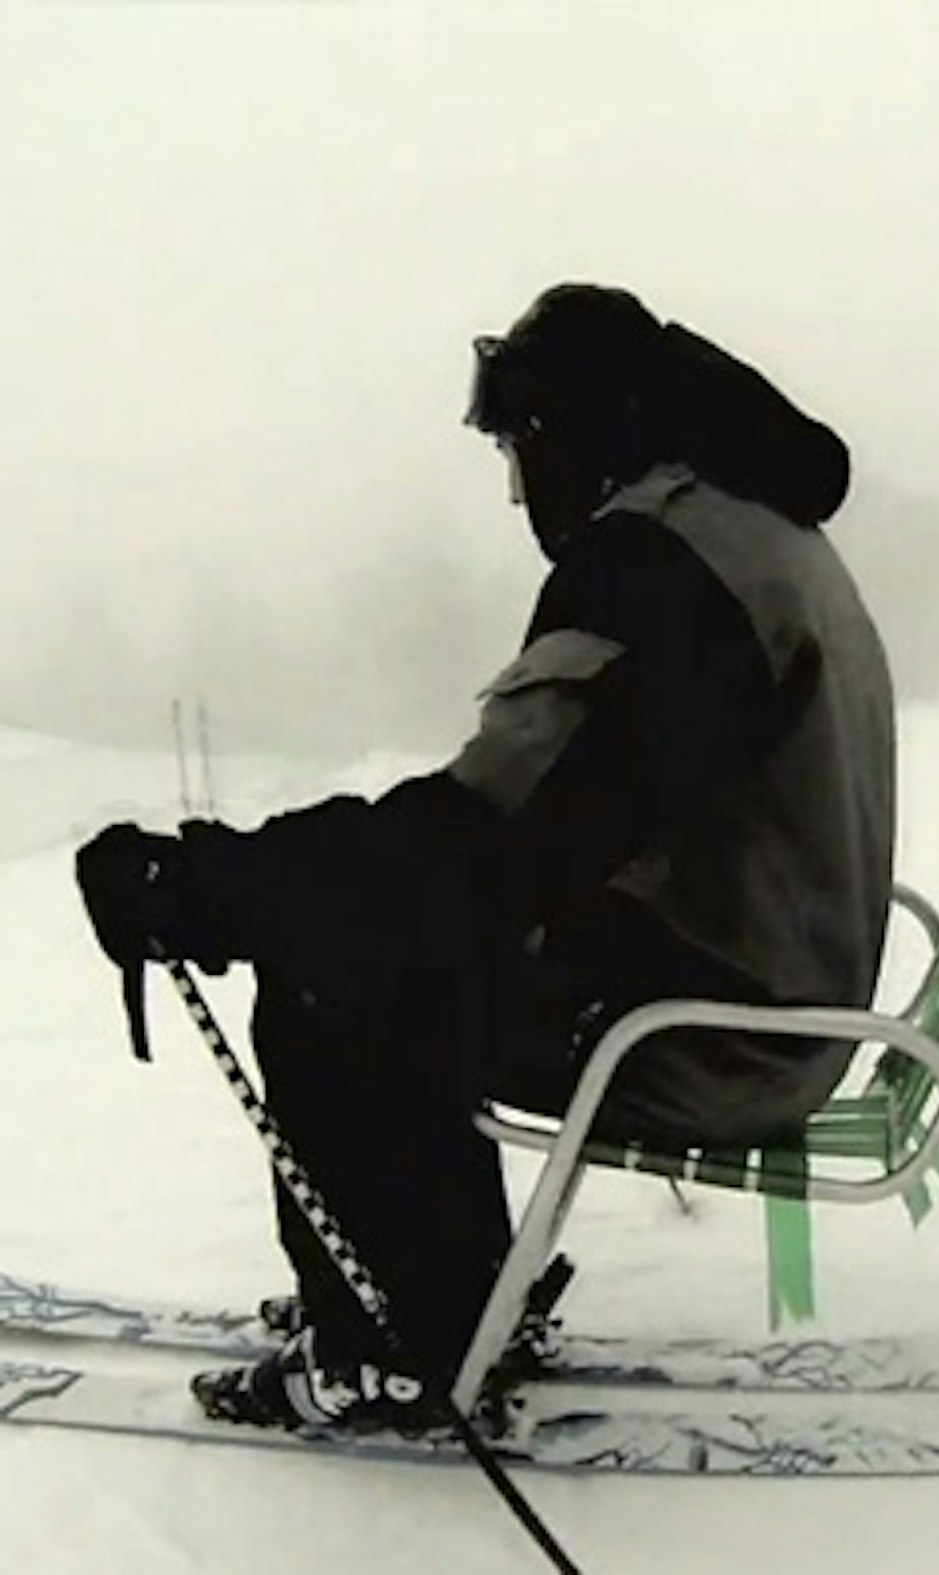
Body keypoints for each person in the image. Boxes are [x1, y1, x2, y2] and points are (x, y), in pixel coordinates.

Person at [72, 283, 897, 1429]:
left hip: (726, 1029)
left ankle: (401, 1345)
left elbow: (478, 850)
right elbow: (530, 830)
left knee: (343, 972)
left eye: (519, 448)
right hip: (767, 967)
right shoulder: (744, 525)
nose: (515, 487)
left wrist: (213, 890)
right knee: (398, 938)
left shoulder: (664, 573)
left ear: (579, 434)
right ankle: (441, 1301)